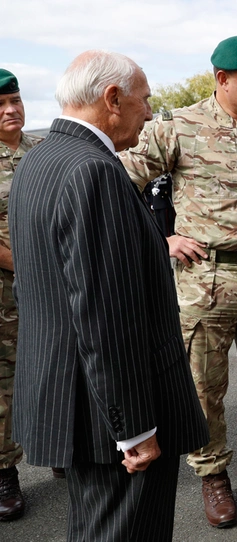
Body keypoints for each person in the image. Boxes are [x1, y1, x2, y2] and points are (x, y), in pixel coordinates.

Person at [8, 51, 209, 541]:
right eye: (144, 101)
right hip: (110, 413)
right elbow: (105, 315)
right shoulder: (93, 170)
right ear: (112, 99)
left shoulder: (40, 158)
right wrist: (134, 427)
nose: (149, 112)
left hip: (71, 396)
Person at [120, 35, 237, 528]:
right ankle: (212, 475)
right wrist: (161, 238)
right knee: (203, 386)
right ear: (222, 80)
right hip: (204, 279)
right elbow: (120, 181)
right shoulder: (179, 126)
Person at [0, 68, 42, 522]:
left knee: (57, 367)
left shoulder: (38, 150)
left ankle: (62, 448)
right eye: (0, 105)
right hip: (5, 294)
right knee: (4, 386)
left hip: (46, 289)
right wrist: (28, 266)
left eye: (14, 100)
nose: (11, 109)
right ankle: (5, 473)